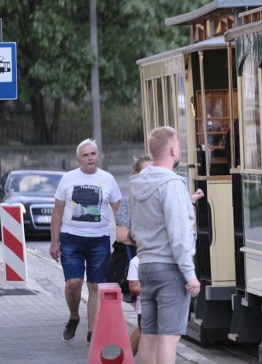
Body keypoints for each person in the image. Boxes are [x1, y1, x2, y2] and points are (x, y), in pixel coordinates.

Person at [115, 155, 203, 357]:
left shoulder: (155, 192)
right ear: (137, 174)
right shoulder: (136, 198)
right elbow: (123, 234)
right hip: (154, 265)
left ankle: (124, 357)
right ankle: (124, 357)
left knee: (149, 330)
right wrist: (153, 237)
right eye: (146, 171)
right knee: (163, 333)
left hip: (147, 264)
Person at [49, 138, 122, 344]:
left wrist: (126, 235)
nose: (90, 158)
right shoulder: (68, 178)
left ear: (97, 155)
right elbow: (57, 212)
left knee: (95, 287)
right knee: (73, 283)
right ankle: (74, 316)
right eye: (86, 155)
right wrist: (55, 242)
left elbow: (119, 209)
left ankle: (92, 332)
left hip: (99, 240)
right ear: (78, 159)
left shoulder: (108, 179)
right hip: (71, 238)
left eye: (93, 154)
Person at [127, 254, 142, 356]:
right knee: (149, 337)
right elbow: (133, 287)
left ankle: (125, 358)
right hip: (146, 306)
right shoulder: (136, 261)